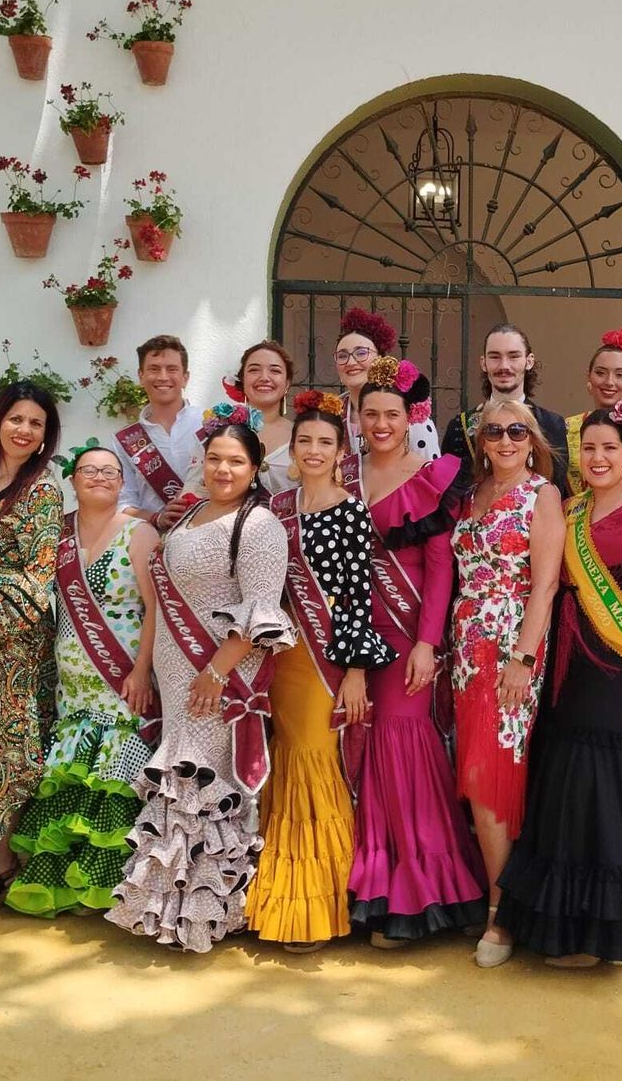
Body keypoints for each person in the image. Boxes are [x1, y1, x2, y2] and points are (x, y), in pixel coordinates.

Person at [495, 404, 622, 966]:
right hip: (568, 661)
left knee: (605, 778)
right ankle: (568, 924)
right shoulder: (572, 508)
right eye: (588, 448)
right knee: (566, 771)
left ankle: (604, 929)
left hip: (617, 666)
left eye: (609, 448)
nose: (598, 458)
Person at [107, 406, 296, 953]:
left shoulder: (258, 525)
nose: (223, 469)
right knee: (182, 781)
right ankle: (170, 909)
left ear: (256, 466)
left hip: (219, 674)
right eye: (214, 458)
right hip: (177, 669)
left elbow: (262, 609)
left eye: (236, 460)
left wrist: (216, 671)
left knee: (208, 787)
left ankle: (212, 914)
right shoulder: (190, 516)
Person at [343, 356, 487, 945]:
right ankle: (371, 888)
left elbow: (438, 570)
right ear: (356, 417)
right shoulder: (342, 474)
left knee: (402, 743)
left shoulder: (432, 475)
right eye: (370, 413)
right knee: (360, 741)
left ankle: (419, 891)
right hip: (348, 636)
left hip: (407, 638)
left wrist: (428, 644)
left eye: (391, 414)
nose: (380, 423)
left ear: (411, 417)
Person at [247, 391, 394, 952]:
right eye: (304, 440)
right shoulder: (272, 509)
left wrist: (357, 672)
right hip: (277, 656)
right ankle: (277, 898)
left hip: (324, 658)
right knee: (283, 759)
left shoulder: (350, 509)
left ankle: (320, 901)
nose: (312, 449)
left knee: (313, 758)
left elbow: (360, 597)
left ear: (341, 452)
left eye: (324, 442)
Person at [5, 441, 160, 918]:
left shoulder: (140, 533)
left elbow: (155, 608)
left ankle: (107, 886)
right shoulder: (58, 535)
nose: (99, 477)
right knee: (73, 776)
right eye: (89, 470)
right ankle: (68, 881)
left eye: (110, 471)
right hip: (71, 681)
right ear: (73, 479)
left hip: (121, 676)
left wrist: (140, 670)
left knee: (111, 778)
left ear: (121, 481)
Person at [450, 397, 564, 967]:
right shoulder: (472, 496)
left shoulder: (541, 495)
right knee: (474, 770)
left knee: (492, 772)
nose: (505, 439)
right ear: (480, 440)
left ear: (533, 437)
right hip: (465, 648)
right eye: (493, 430)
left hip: (510, 648)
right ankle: (499, 897)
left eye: (517, 430)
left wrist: (522, 658)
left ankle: (501, 916)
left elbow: (544, 586)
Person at [0, 382, 63, 916]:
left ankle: (0, 860)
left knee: (7, 746)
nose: (24, 430)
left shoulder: (43, 491)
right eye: (16, 419)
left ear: (46, 437)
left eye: (36, 424)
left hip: (12, 641)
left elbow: (38, 577)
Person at [441, 323, 569, 494]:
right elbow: (449, 494)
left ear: (529, 361)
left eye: (513, 356)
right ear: (483, 363)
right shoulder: (459, 426)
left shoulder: (552, 423)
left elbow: (558, 488)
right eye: (495, 357)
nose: (504, 366)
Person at [115, 334, 204, 533]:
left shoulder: (208, 423)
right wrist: (158, 518)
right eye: (154, 369)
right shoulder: (124, 441)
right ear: (141, 376)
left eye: (172, 369)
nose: (163, 377)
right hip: (151, 543)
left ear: (185, 377)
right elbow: (122, 504)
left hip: (206, 534)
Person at [333, 307, 440, 459]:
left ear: (380, 357)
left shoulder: (409, 414)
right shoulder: (330, 412)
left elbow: (430, 472)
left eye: (361, 353)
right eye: (342, 356)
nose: (351, 362)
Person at [563, 328, 622, 494]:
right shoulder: (566, 428)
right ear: (589, 377)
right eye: (601, 373)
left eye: (619, 374)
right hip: (575, 516)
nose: (609, 382)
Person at [229, 339, 296, 494]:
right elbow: (198, 487)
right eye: (254, 370)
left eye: (275, 371)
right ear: (242, 380)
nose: (264, 377)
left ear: (287, 383)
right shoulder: (222, 431)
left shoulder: (302, 435)